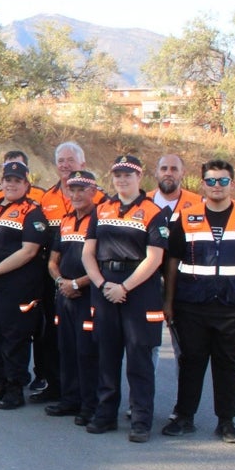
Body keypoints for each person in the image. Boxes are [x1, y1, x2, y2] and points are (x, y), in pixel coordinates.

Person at [162, 160, 235, 444]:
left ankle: (226, 422)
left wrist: (233, 274)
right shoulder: (187, 217)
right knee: (191, 363)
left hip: (233, 306)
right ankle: (184, 417)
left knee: (228, 365)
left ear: (232, 184)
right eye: (211, 181)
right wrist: (169, 301)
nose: (216, 186)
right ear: (202, 184)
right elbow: (173, 262)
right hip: (193, 304)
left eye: (222, 181)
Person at [81, 155, 167, 443]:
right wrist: (103, 283)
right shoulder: (102, 209)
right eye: (117, 174)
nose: (122, 179)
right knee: (107, 356)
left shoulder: (154, 212)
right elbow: (87, 253)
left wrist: (124, 287)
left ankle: (141, 420)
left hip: (139, 290)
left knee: (139, 359)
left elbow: (154, 258)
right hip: (105, 287)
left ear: (139, 177)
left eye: (128, 175)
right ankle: (105, 414)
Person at [0, 160, 45, 410]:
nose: (11, 184)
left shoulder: (33, 211)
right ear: (1, 182)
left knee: (14, 334)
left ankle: (15, 386)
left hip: (15, 283)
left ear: (26, 184)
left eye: (17, 180)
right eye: (8, 180)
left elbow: (29, 251)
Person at [34, 142, 101, 402]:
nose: (65, 165)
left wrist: (78, 283)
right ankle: (57, 387)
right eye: (60, 160)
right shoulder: (46, 197)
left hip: (88, 284)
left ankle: (88, 399)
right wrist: (60, 280)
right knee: (53, 335)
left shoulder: (101, 203)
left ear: (82, 164)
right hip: (55, 277)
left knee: (86, 345)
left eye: (70, 160)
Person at [45, 170, 100, 424]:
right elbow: (52, 261)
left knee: (87, 351)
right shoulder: (66, 220)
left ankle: (90, 405)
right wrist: (61, 282)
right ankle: (70, 400)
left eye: (82, 189)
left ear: (93, 191)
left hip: (89, 295)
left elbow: (103, 265)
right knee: (66, 347)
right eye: (72, 189)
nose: (76, 195)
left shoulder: (101, 219)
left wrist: (78, 283)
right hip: (64, 294)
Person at [152, 154, 203, 220]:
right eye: (164, 169)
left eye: (174, 169)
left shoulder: (199, 203)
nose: (168, 173)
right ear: (156, 172)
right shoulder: (143, 201)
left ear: (183, 173)